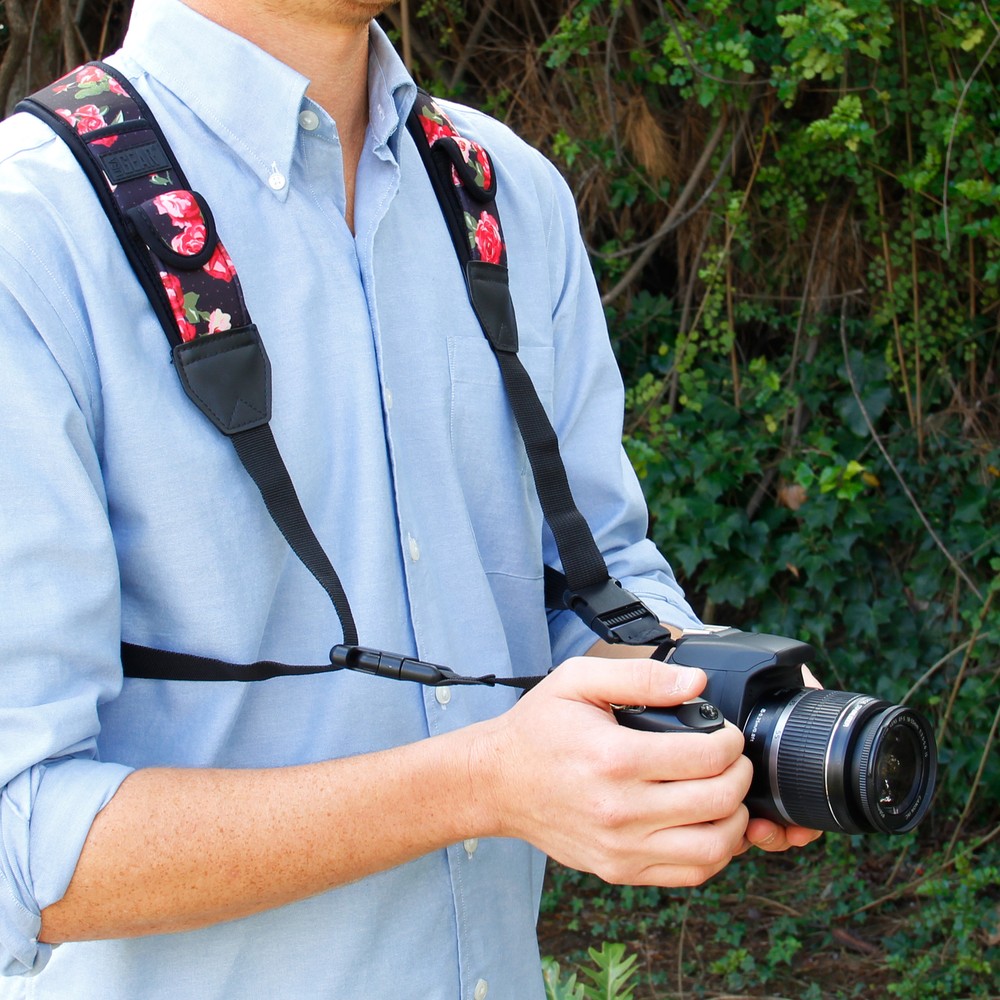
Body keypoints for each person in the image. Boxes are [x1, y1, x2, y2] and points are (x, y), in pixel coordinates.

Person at [0, 1, 820, 997]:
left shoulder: (503, 192)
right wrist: (481, 784)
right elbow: (20, 838)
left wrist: (722, 704)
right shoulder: (32, 229)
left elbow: (590, 589)